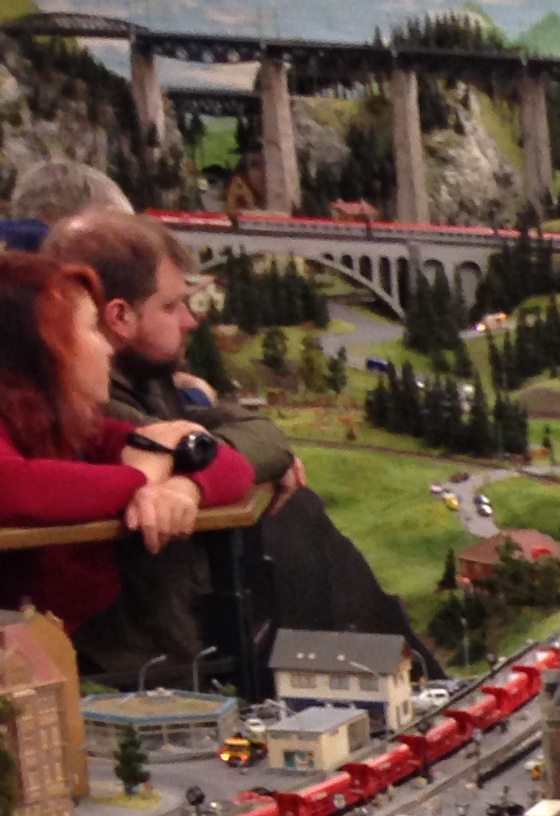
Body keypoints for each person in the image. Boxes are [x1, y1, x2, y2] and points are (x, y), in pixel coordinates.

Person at [38, 209, 431, 683]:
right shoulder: (93, 402)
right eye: (171, 306)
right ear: (120, 316)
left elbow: (261, 434)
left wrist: (218, 463)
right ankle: (398, 681)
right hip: (155, 642)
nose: (191, 320)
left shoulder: (149, 380)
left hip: (190, 607)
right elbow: (205, 451)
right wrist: (208, 474)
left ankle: (405, 678)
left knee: (299, 519)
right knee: (297, 521)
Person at [0, 253, 251, 640]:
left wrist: (183, 488)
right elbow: (15, 487)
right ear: (43, 348)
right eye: (90, 330)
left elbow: (231, 464)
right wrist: (143, 474)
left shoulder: (72, 428)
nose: (108, 348)